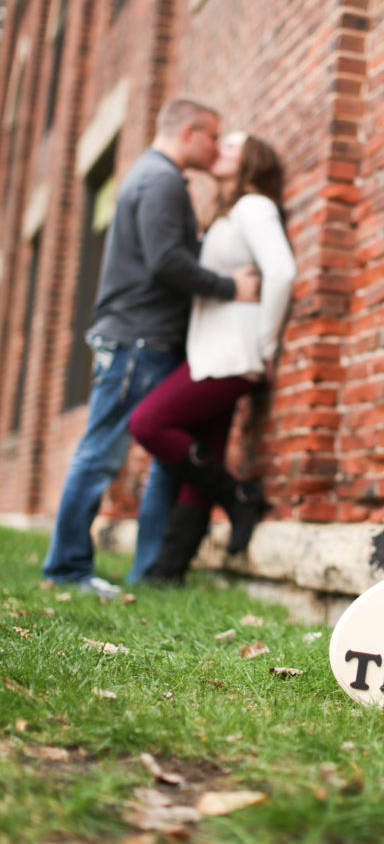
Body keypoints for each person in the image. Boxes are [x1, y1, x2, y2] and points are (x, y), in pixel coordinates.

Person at [42, 98, 260, 597]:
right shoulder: (160, 180)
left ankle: (149, 573)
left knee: (162, 460)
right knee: (100, 454)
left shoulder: (154, 176)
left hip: (150, 340)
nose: (215, 148)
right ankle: (67, 568)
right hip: (136, 341)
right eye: (213, 137)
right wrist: (232, 288)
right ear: (189, 132)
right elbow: (167, 261)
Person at [129, 132, 296, 583]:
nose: (219, 149)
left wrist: (267, 345)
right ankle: (168, 572)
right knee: (208, 451)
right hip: (212, 350)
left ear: (251, 161)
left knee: (147, 423)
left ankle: (237, 495)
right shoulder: (229, 212)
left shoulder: (254, 206)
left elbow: (281, 272)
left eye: (231, 147)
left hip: (234, 352)